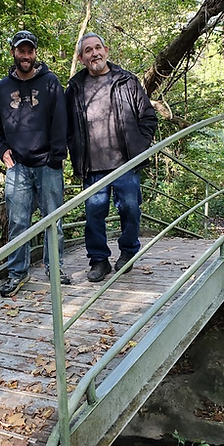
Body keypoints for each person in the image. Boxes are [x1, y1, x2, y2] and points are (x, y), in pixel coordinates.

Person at [66, 32, 158, 282]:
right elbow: (67, 127)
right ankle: (99, 261)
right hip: (92, 166)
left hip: (125, 162)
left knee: (130, 208)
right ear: (81, 58)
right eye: (88, 50)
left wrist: (141, 143)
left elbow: (147, 116)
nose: (94, 53)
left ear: (106, 50)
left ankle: (128, 252)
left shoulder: (126, 80)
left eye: (98, 48)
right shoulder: (75, 88)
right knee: (94, 214)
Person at [0, 30, 71, 297]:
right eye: (21, 51)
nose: (26, 56)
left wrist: (56, 157)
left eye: (30, 51)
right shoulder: (2, 88)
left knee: (53, 221)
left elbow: (61, 121)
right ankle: (17, 273)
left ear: (35, 53)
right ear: (13, 52)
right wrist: (2, 150)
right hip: (18, 166)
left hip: (48, 164)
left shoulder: (50, 82)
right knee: (18, 222)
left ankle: (54, 267)